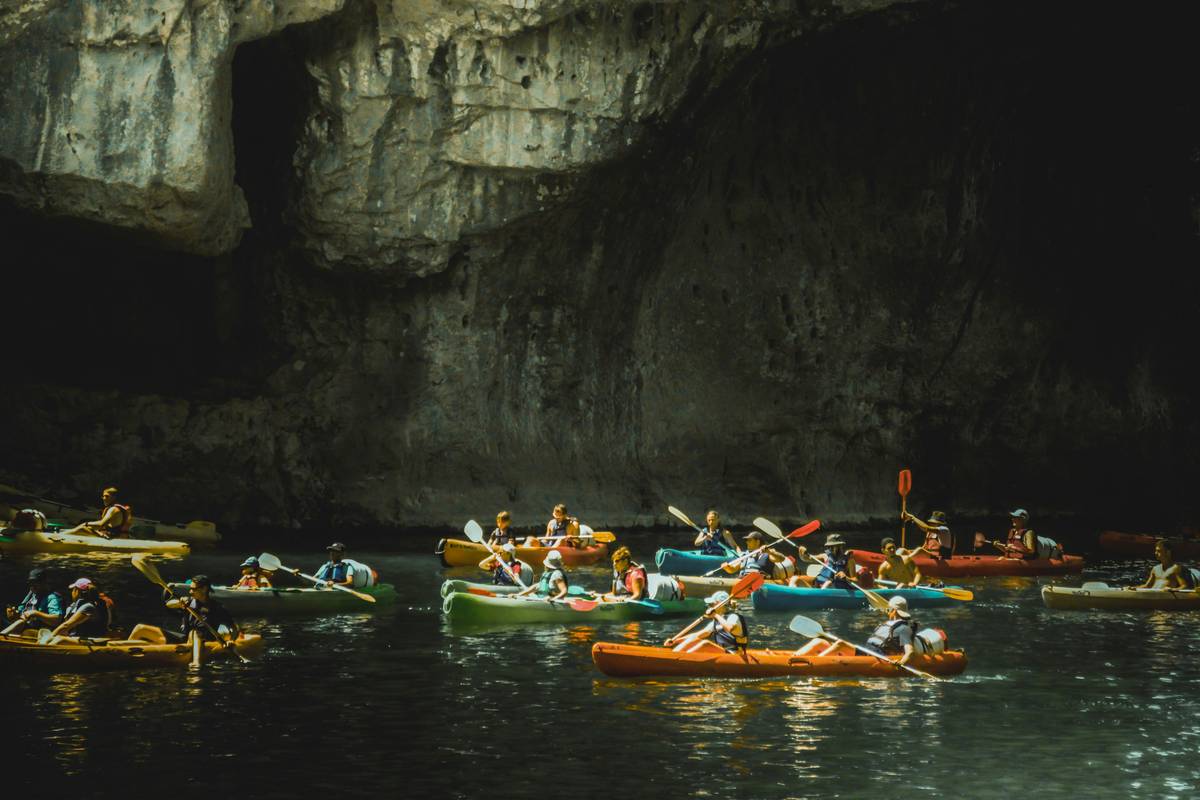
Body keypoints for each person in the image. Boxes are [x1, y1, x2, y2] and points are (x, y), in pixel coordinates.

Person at [664, 591, 748, 654]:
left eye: (712, 604)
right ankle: (674, 654)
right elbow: (698, 635)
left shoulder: (733, 617)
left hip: (735, 654)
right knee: (693, 639)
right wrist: (676, 641)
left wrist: (715, 615)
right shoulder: (716, 621)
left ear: (721, 605)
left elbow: (730, 628)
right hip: (723, 652)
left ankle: (683, 659)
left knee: (705, 643)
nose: (709, 606)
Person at [166, 575, 239, 642]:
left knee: (195, 633)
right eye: (190, 589)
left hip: (204, 642)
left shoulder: (216, 607)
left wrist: (231, 640)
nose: (190, 592)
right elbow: (169, 604)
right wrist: (178, 603)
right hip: (186, 638)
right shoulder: (189, 602)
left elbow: (234, 628)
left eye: (193, 589)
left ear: (204, 589)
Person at [866, 595, 921, 667]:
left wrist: (901, 663)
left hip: (872, 652)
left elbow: (910, 652)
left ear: (894, 611)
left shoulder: (902, 628)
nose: (887, 612)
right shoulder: (894, 625)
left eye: (888, 609)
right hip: (872, 651)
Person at [4, 568, 64, 633]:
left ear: (44, 583)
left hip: (42, 632)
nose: (32, 586)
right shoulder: (31, 595)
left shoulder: (52, 597)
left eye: (36, 583)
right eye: (31, 583)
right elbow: (20, 614)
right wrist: (14, 615)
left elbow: (57, 619)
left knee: (21, 623)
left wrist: (36, 614)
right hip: (26, 628)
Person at [63, 487, 134, 540]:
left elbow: (101, 524)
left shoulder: (114, 509)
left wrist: (86, 523)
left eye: (107, 496)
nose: (103, 498)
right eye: (103, 496)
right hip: (119, 537)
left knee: (82, 528)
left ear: (114, 497)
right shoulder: (120, 508)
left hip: (114, 539)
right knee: (84, 529)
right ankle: (65, 533)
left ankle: (60, 536)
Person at [993, 508, 1062, 560]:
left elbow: (1031, 552)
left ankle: (1059, 552)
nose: (1013, 519)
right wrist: (998, 545)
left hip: (1051, 551)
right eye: (1013, 517)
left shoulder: (1028, 534)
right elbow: (1009, 550)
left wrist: (1014, 548)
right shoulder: (1013, 532)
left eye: (1016, 518)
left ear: (1023, 520)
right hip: (1017, 560)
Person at [1128, 539, 1195, 590]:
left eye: (1159, 551)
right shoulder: (1155, 569)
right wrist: (1134, 588)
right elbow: (1147, 586)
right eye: (1155, 551)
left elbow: (1184, 586)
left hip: (1165, 597)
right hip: (1153, 595)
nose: (1156, 553)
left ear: (1168, 552)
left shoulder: (1175, 568)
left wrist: (1173, 590)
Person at [719, 530, 784, 578]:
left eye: (749, 540)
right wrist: (727, 567)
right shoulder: (745, 555)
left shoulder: (769, 552)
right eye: (746, 540)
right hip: (744, 581)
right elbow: (732, 569)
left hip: (762, 583)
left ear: (758, 542)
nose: (747, 542)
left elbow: (781, 559)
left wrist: (769, 552)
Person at [314, 543, 378, 588]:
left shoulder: (348, 567)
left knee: (374, 576)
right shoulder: (325, 566)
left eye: (335, 551)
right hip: (333, 583)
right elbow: (313, 579)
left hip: (366, 575)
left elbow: (350, 584)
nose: (332, 553)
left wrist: (335, 584)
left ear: (342, 554)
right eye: (331, 550)